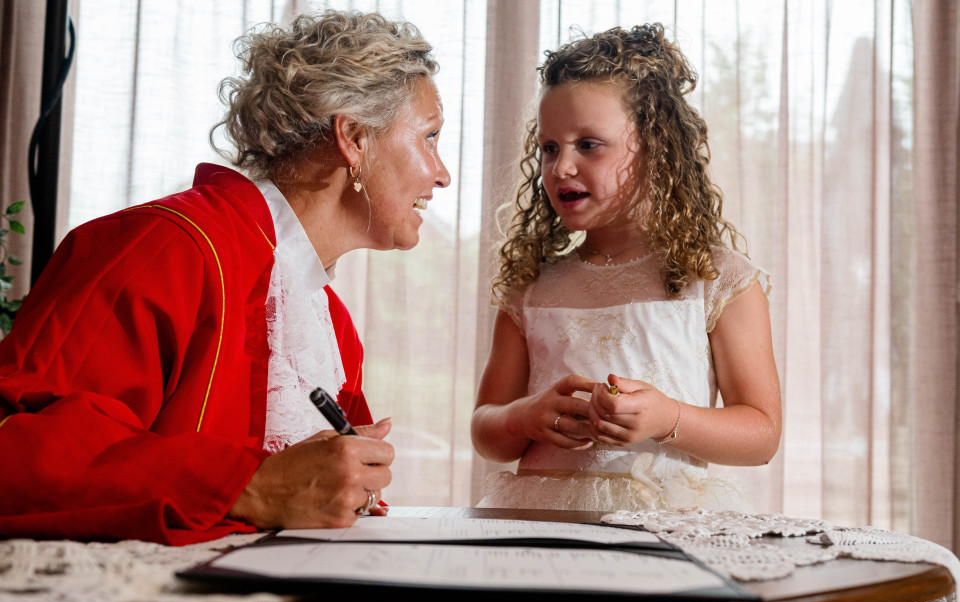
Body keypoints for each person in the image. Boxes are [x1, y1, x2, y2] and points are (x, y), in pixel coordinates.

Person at [0, 10, 450, 545]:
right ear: (353, 138)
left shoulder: (331, 325)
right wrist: (250, 485)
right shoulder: (160, 248)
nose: (441, 173)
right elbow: (16, 453)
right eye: (430, 137)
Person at [471, 23, 781, 513]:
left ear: (656, 151)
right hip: (541, 529)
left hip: (668, 527)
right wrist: (525, 417)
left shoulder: (718, 279)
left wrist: (668, 418)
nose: (560, 168)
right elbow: (487, 430)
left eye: (588, 145)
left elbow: (761, 434)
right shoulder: (530, 290)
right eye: (549, 148)